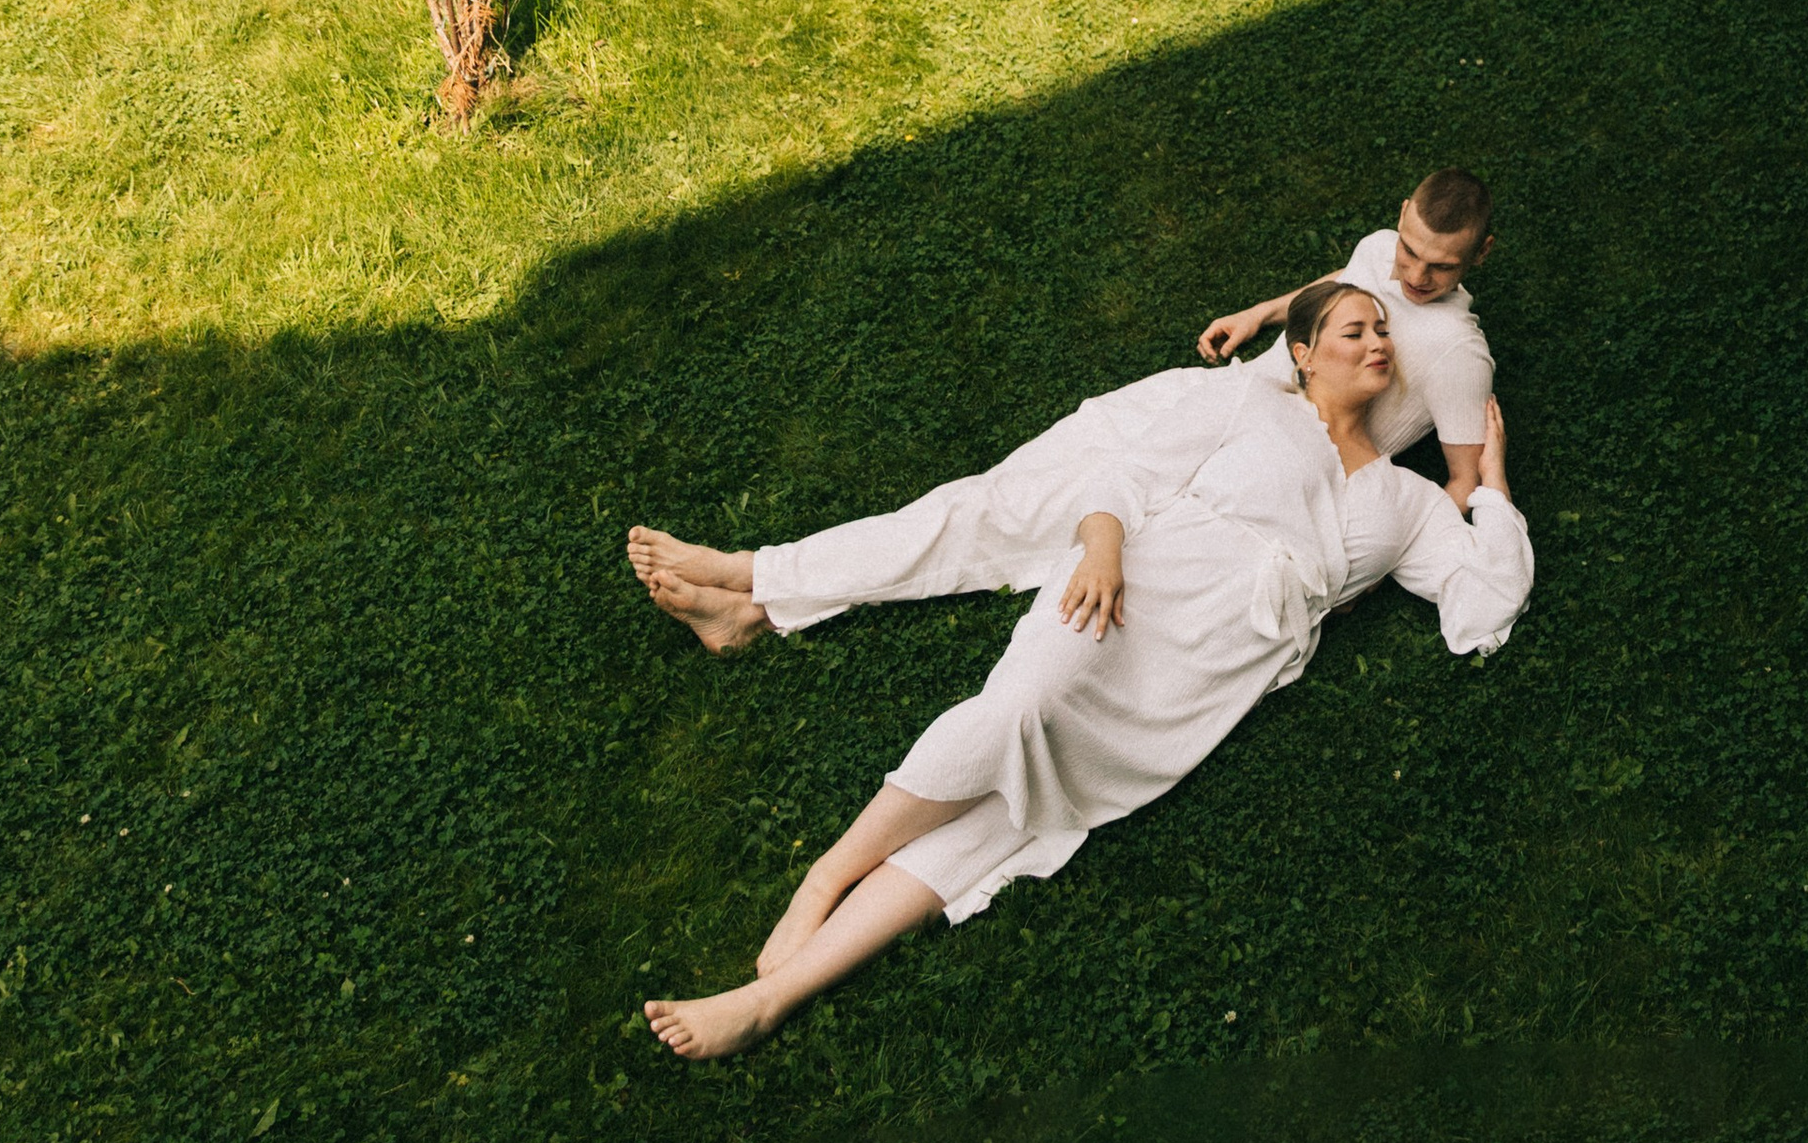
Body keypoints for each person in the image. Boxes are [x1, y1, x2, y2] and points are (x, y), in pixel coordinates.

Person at [637, 279, 1532, 1062]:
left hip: (1208, 675)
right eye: (1355, 329)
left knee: (1015, 823)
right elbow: (1124, 473)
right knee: (1018, 706)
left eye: (1384, 333)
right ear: (1301, 354)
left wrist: (1489, 481)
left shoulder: (1410, 503)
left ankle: (765, 1001)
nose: (1378, 342)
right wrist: (1101, 548)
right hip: (1132, 586)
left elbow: (1484, 600)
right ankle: (825, 876)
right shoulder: (1252, 406)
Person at [1198, 168, 1497, 494]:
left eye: (1441, 266)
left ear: (1482, 251)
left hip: (1288, 468)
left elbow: (1466, 481)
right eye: (1409, 251)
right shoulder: (1379, 246)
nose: (1416, 276)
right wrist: (1260, 313)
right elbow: (1345, 281)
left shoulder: (1459, 353)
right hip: (1241, 390)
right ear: (1403, 213)